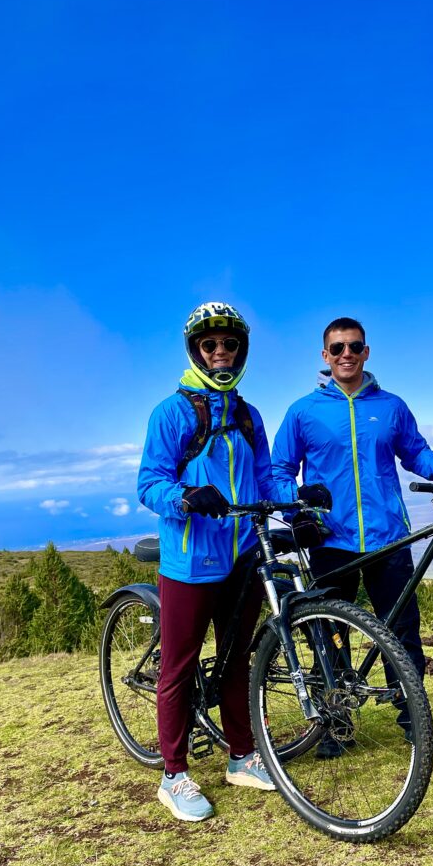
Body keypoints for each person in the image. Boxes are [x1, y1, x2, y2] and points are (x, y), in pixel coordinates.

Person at [271, 316, 433, 755]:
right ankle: (337, 723)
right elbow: (278, 474)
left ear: (367, 352)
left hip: (387, 537)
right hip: (329, 539)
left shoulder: (392, 406)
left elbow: (415, 452)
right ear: (325, 356)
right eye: (338, 348)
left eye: (355, 347)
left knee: (401, 632)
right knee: (330, 634)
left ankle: (412, 719)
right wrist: (297, 508)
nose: (347, 354)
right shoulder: (303, 411)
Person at [137, 302, 287, 822]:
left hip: (242, 556)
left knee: (236, 661)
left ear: (240, 351)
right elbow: (149, 483)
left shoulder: (249, 415)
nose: (220, 352)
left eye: (229, 345)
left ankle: (241, 757)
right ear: (196, 351)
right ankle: (173, 775)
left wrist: (299, 498)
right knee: (177, 669)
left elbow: (267, 479)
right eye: (210, 345)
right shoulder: (172, 412)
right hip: (189, 561)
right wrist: (184, 497)